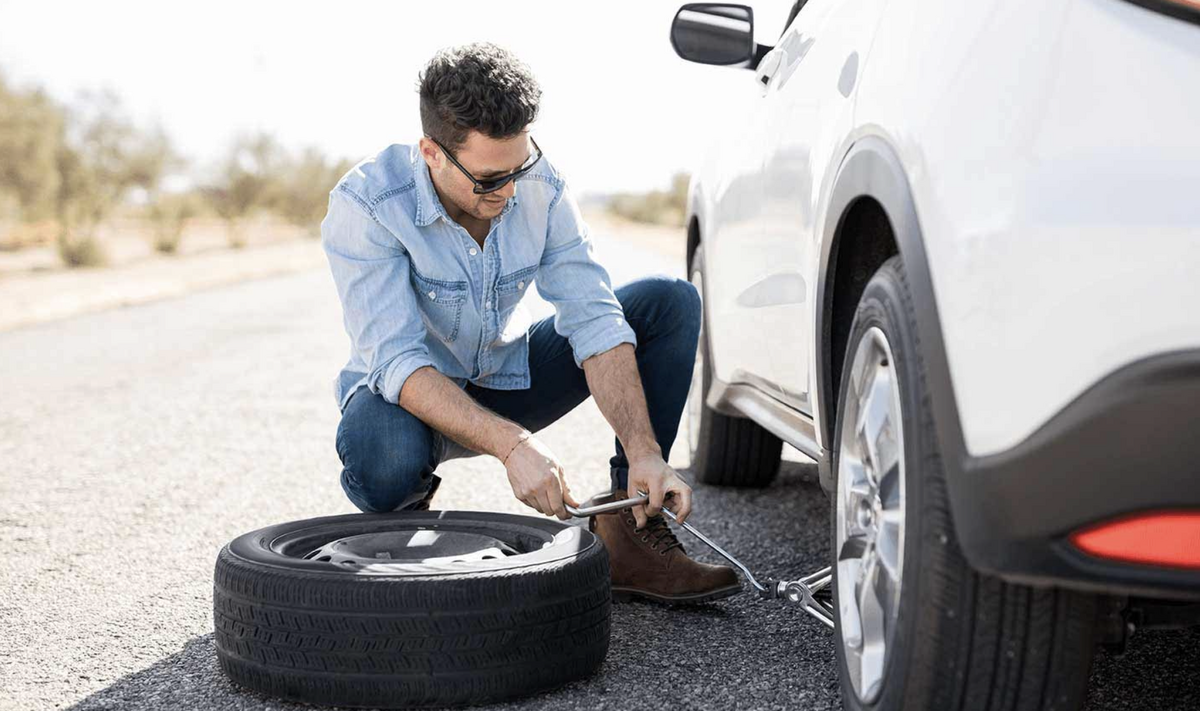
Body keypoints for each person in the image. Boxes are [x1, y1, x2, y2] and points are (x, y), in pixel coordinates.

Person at [320, 41, 739, 604]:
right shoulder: (368, 204)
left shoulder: (539, 186)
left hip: (503, 376)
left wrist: (644, 450)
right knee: (384, 454)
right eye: (492, 179)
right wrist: (514, 447)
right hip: (406, 404)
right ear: (432, 153)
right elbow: (397, 362)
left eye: (520, 167)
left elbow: (592, 317)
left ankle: (631, 533)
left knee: (669, 301)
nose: (511, 190)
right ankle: (402, 529)